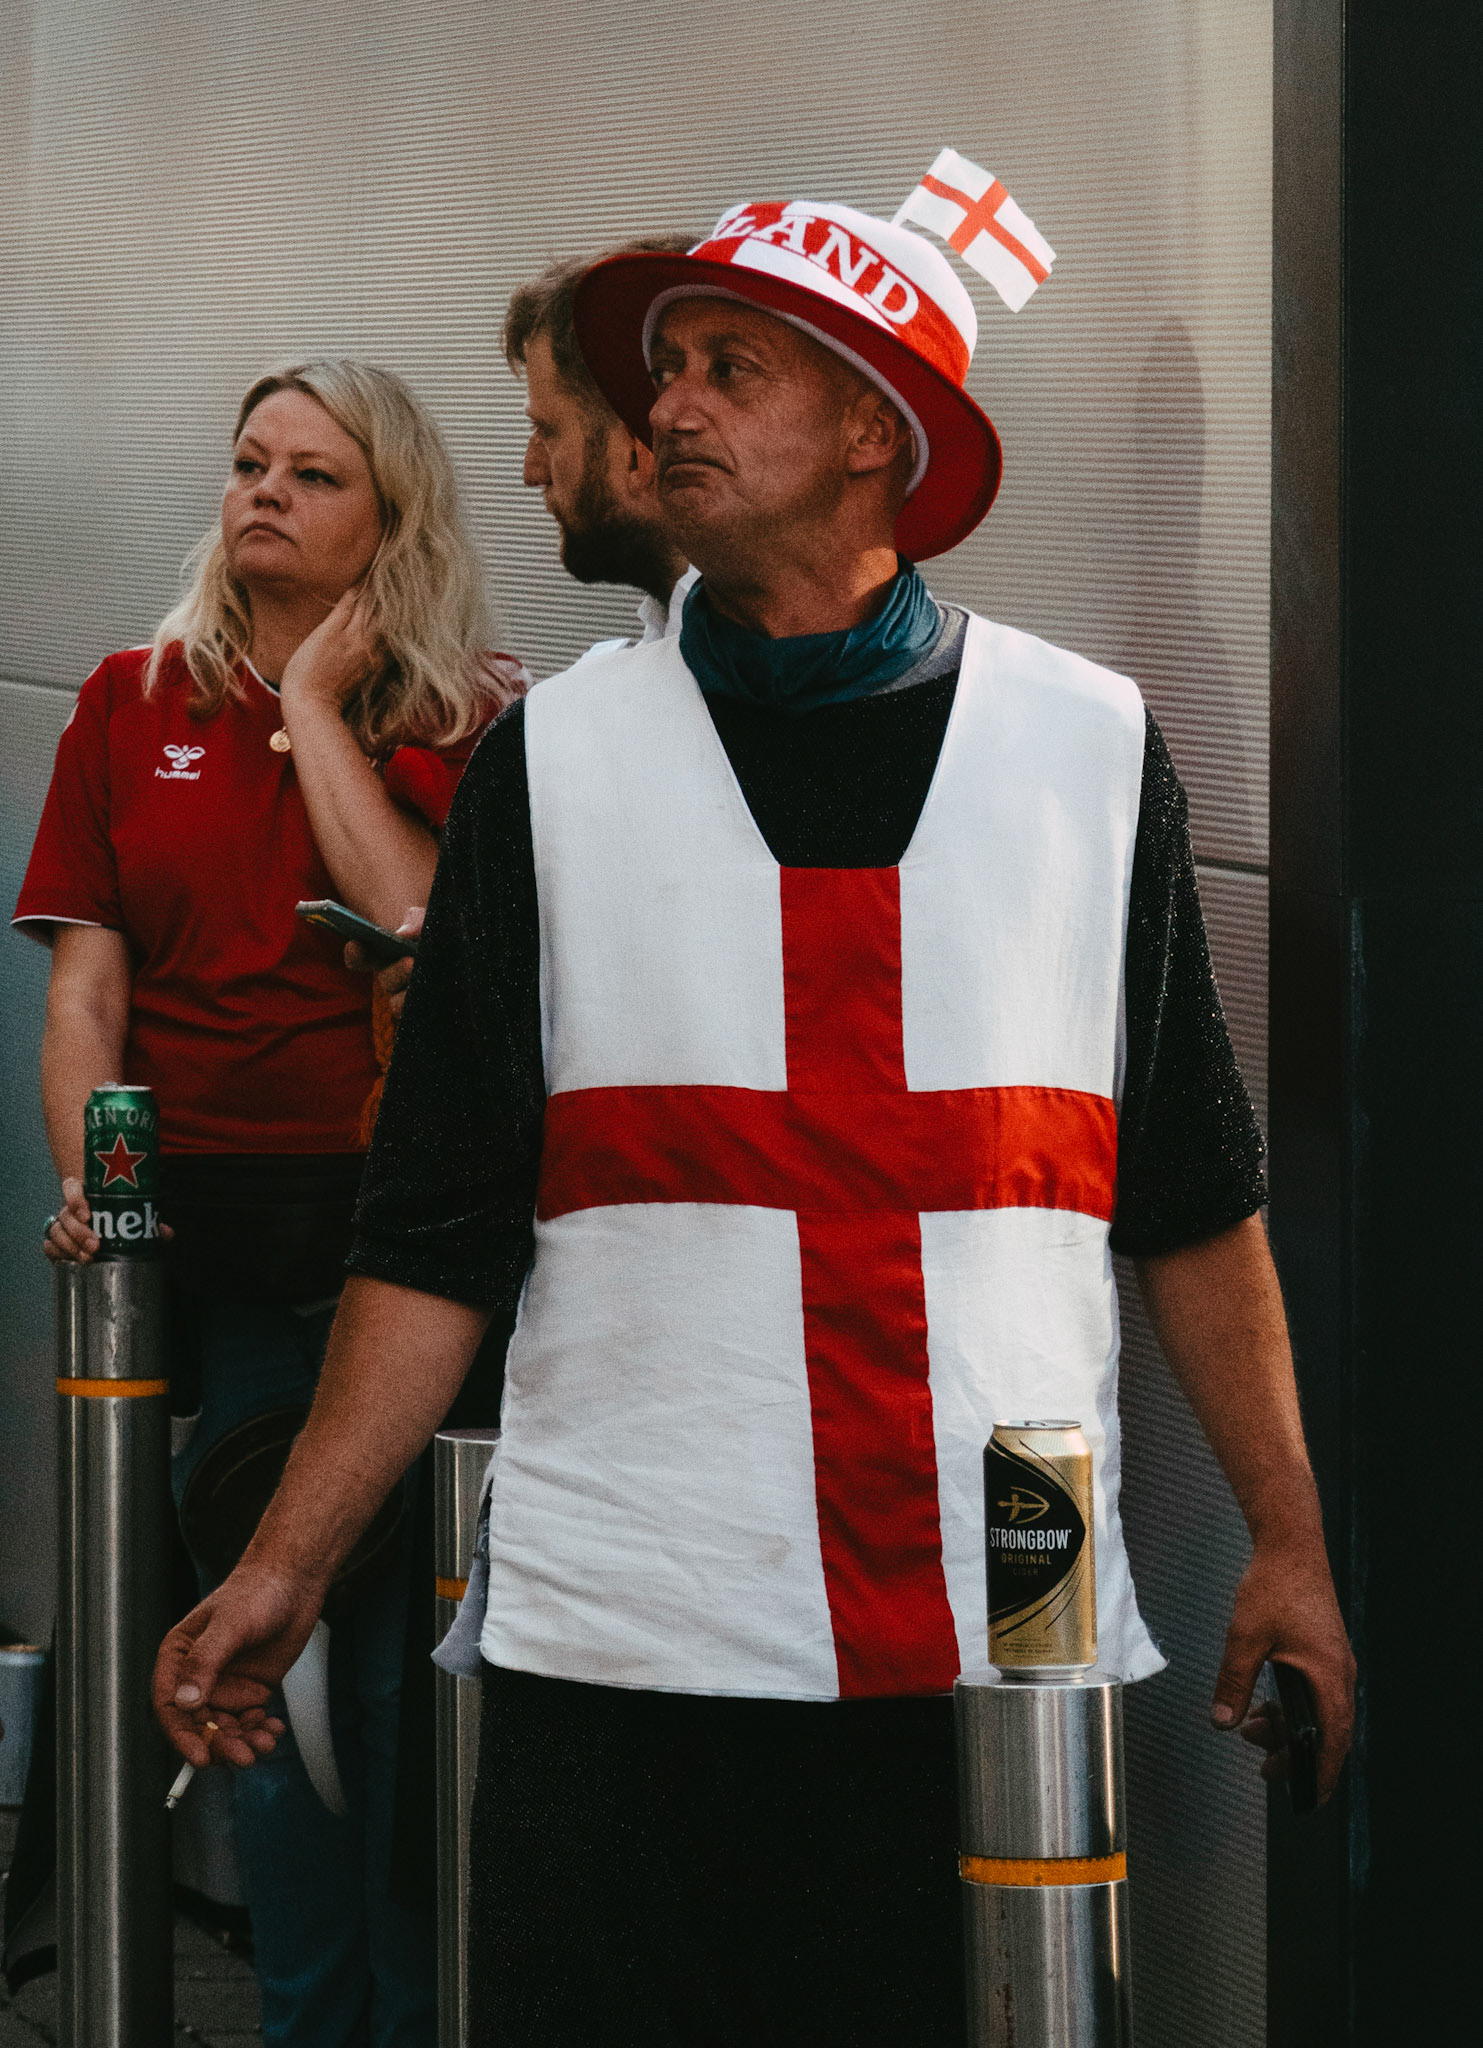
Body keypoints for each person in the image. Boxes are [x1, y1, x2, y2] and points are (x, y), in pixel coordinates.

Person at [153, 204, 1356, 2045]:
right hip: (629, 1628)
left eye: (733, 367)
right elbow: (439, 1229)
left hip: (985, 1627)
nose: (669, 409)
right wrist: (287, 1564)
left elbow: (1190, 1192)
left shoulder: (1087, 748)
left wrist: (1287, 1535)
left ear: (877, 431)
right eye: (663, 372)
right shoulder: (550, 765)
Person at [17, 356, 525, 2047]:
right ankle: (321, 2022)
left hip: (404, 1250)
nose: (263, 496)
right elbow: (89, 992)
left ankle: (407, 2012)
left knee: (395, 1678)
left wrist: (316, 705)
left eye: (313, 476)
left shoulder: (467, 719)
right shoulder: (127, 698)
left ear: (395, 517)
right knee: (288, 1668)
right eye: (249, 464)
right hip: (218, 1250)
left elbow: (434, 942)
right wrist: (97, 1166)